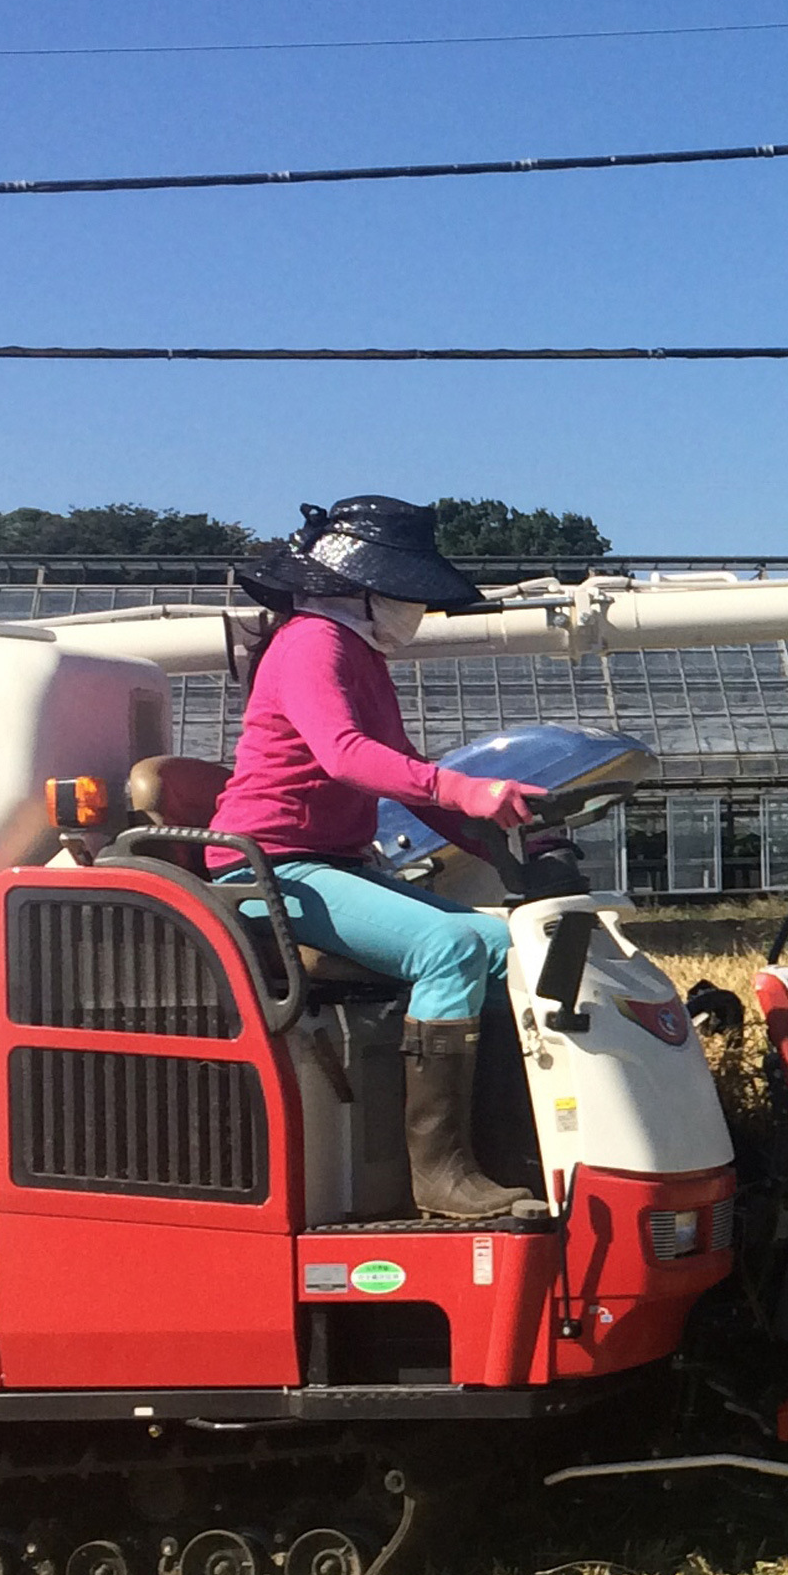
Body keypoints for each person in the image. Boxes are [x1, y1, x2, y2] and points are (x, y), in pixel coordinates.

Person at [220, 495, 547, 1220]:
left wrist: (498, 830)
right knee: (450, 946)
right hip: (268, 867)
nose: (414, 611)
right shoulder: (312, 642)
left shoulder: (355, 651)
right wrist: (465, 788)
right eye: (405, 594)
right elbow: (345, 757)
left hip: (324, 864)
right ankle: (439, 1175)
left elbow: (399, 766)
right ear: (361, 587)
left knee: (513, 947)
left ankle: (509, 1152)